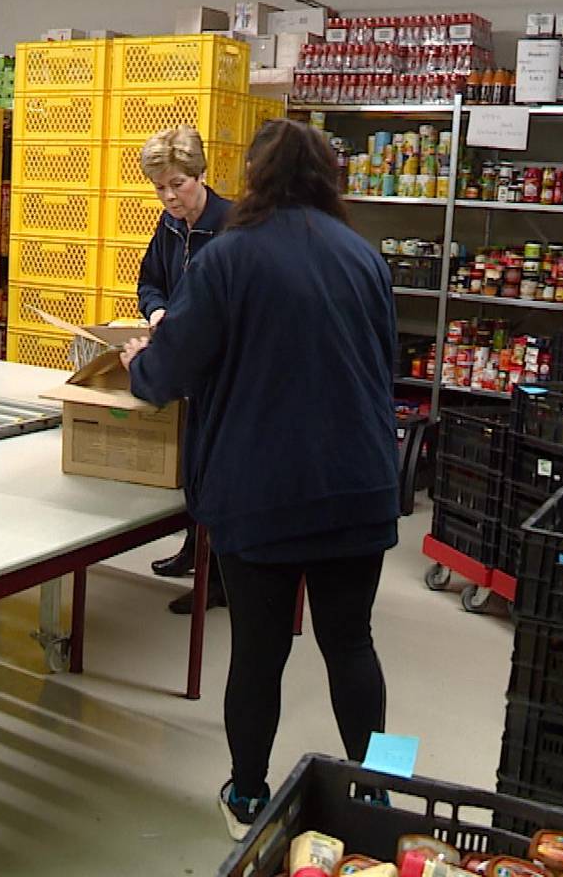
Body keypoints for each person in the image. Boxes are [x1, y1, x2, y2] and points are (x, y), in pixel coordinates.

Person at [120, 119, 399, 840]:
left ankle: (247, 796)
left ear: (251, 177)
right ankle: (383, 793)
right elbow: (384, 362)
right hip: (359, 482)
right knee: (354, 642)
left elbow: (170, 370)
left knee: (259, 649)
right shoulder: (365, 257)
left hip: (262, 486)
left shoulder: (229, 259)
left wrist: (138, 366)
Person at [135, 125, 233, 614]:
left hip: (219, 370)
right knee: (191, 465)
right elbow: (149, 281)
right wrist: (156, 313)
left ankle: (217, 578)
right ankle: (193, 550)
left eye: (178, 184)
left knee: (213, 468)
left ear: (200, 175)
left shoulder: (231, 226)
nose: (169, 196)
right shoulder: (167, 225)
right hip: (181, 355)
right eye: (159, 187)